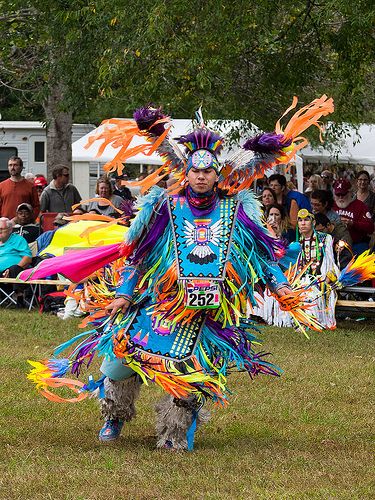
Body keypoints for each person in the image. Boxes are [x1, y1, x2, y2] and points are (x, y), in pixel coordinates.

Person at [26, 97, 335, 450]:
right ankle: (114, 413)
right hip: (161, 304)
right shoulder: (165, 208)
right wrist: (125, 294)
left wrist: (282, 289)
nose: (201, 176)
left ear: (218, 175)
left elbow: (261, 258)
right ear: (185, 173)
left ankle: (174, 433)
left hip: (206, 313)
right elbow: (137, 257)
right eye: (195, 171)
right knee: (123, 364)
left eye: (207, 171)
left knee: (189, 375)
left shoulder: (238, 211)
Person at [294, 209, 339, 329]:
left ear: (313, 223)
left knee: (311, 292)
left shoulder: (325, 239)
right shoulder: (297, 244)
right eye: (300, 220)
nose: (303, 223)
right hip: (302, 281)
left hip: (321, 280)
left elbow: (330, 264)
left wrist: (324, 281)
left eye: (306, 220)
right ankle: (302, 321)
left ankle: (310, 322)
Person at [332, 178, 374, 254]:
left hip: (357, 244)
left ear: (349, 192)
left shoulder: (360, 206)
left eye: (343, 194)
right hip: (334, 244)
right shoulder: (331, 205)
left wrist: (353, 223)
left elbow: (370, 227)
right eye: (338, 194)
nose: (340, 197)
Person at [0, 217, 32, 307]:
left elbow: (28, 258)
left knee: (14, 268)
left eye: (2, 229)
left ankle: (19, 298)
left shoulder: (18, 240)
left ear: (10, 229)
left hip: (15, 272)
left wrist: (10, 270)